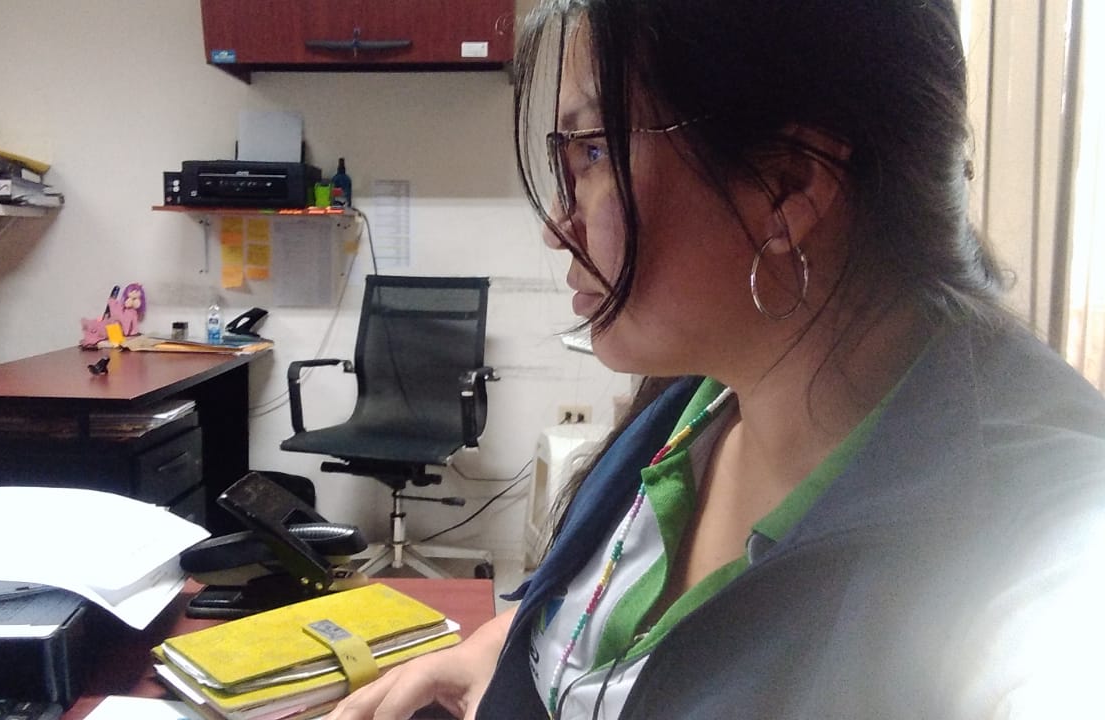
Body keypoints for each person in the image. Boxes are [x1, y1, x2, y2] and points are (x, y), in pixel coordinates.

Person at [327, 1, 1105, 718]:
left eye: (594, 150)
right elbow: (638, 640)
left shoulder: (1048, 556)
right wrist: (502, 648)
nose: (558, 225)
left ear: (787, 185)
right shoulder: (705, 399)